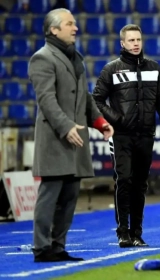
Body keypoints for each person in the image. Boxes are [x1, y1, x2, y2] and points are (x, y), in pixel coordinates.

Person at [28, 8, 114, 262]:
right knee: (50, 195)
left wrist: (99, 121)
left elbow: (84, 97)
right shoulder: (42, 58)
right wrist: (65, 127)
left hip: (76, 137)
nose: (75, 28)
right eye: (69, 24)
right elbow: (46, 99)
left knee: (69, 197)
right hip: (57, 137)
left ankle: (58, 246)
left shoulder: (75, 57)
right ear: (53, 29)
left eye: (74, 23)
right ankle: (42, 248)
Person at [92, 24, 160, 248]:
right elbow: (96, 99)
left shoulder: (154, 68)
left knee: (140, 184)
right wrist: (116, 119)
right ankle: (123, 232)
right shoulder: (111, 69)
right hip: (122, 136)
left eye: (138, 39)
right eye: (131, 40)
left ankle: (137, 233)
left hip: (146, 134)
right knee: (124, 180)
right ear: (122, 43)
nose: (136, 43)